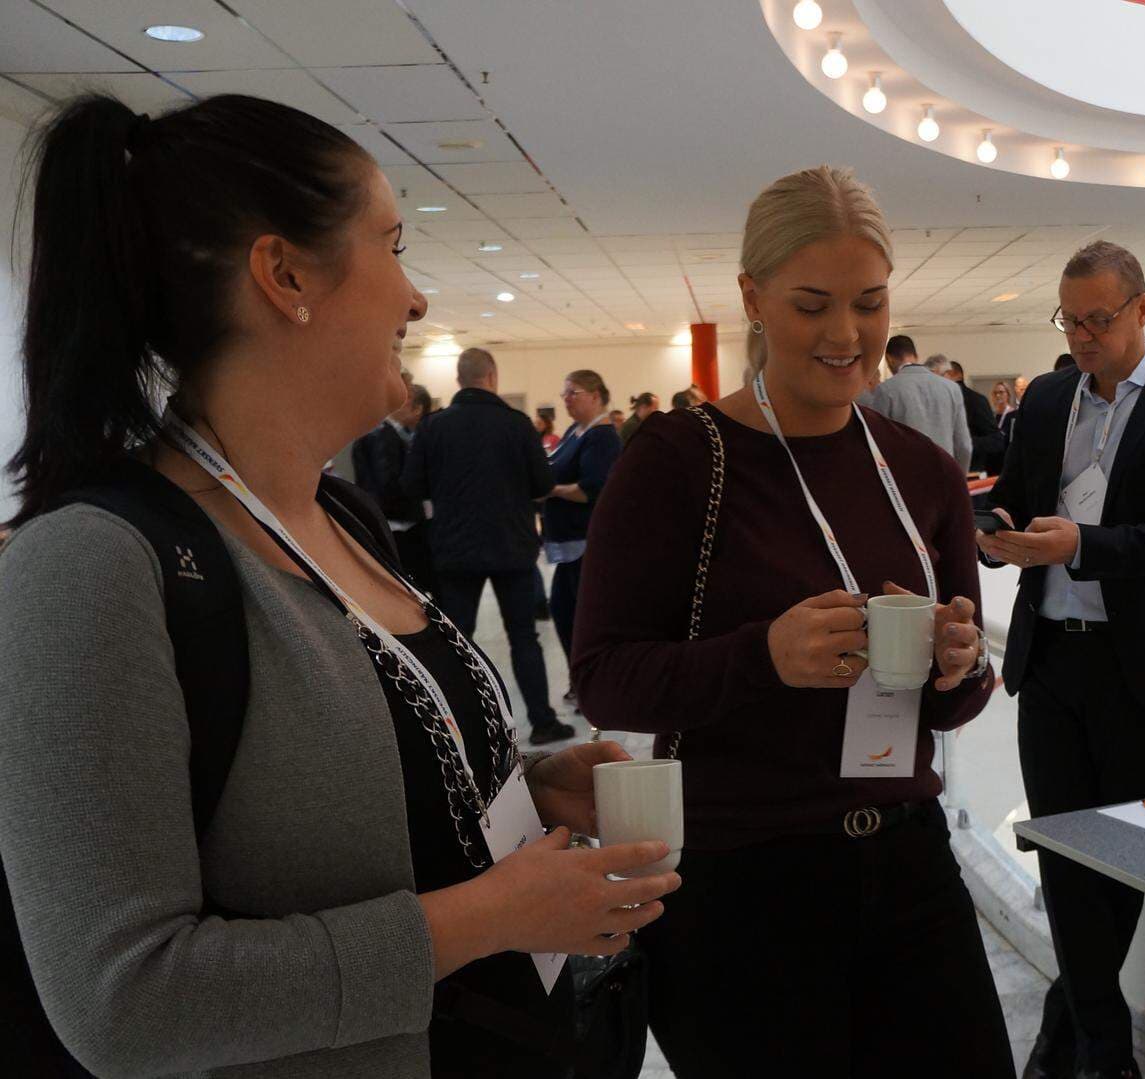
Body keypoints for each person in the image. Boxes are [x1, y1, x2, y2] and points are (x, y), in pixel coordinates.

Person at [0, 92, 678, 1079]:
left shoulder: (339, 515)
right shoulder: (93, 565)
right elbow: (125, 999)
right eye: (393, 246)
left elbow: (337, 802)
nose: (416, 299)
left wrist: (525, 787)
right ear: (285, 276)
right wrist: (487, 916)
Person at [571, 165, 1013, 1078]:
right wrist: (761, 655)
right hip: (743, 882)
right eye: (812, 305)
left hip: (908, 861)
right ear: (753, 299)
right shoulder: (681, 461)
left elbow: (951, 704)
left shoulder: (921, 471)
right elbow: (605, 677)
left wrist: (959, 664)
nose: (846, 334)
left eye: (869, 302)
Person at [978, 240, 1145, 1079]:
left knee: (1119, 865)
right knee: (1063, 857)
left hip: (1142, 669)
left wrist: (1084, 546)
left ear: (1142, 309)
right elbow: (1014, 496)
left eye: (1098, 319)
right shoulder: (1049, 397)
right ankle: (1098, 1049)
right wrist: (992, 533)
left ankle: (1081, 1047)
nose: (1083, 336)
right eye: (1070, 320)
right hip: (1050, 658)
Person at [404, 348, 575, 745]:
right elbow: (542, 484)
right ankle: (542, 721)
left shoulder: (433, 426)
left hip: (455, 548)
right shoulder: (516, 424)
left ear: (459, 379)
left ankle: (460, 727)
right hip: (512, 546)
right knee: (524, 637)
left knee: (457, 640)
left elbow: (411, 484)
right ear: (493, 377)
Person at [543, 370, 622, 665]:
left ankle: (589, 675)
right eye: (564, 394)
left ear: (595, 396)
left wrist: (551, 490)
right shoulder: (574, 431)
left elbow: (590, 489)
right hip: (569, 545)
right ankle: (579, 675)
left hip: (586, 543)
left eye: (572, 393)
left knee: (577, 617)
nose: (566, 399)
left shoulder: (602, 438)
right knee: (563, 611)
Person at [352, 381, 437, 596]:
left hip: (393, 520)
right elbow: (388, 483)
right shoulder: (383, 434)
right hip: (400, 524)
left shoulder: (382, 432)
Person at [863, 334, 972, 465]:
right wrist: (958, 474)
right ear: (916, 356)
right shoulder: (952, 388)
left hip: (905, 473)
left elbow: (876, 442)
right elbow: (964, 446)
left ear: (889, 359)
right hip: (945, 471)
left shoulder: (886, 390)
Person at [941, 357, 1007, 474]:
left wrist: (964, 442)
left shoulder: (974, 401)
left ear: (952, 374)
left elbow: (996, 440)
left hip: (972, 470)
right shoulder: (944, 399)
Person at [992, 379, 1021, 448]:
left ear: (1008, 394)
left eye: (1001, 392)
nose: (998, 395)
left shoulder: (1014, 414)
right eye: (995, 393)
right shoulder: (992, 415)